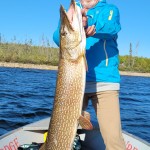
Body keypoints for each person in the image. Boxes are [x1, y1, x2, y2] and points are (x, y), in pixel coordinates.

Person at [53, 0, 126, 149]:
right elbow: (57, 37)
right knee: (59, 133)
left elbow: (111, 27)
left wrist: (87, 22)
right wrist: (71, 18)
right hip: (73, 86)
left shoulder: (109, 9)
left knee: (114, 141)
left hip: (104, 83)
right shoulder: (74, 12)